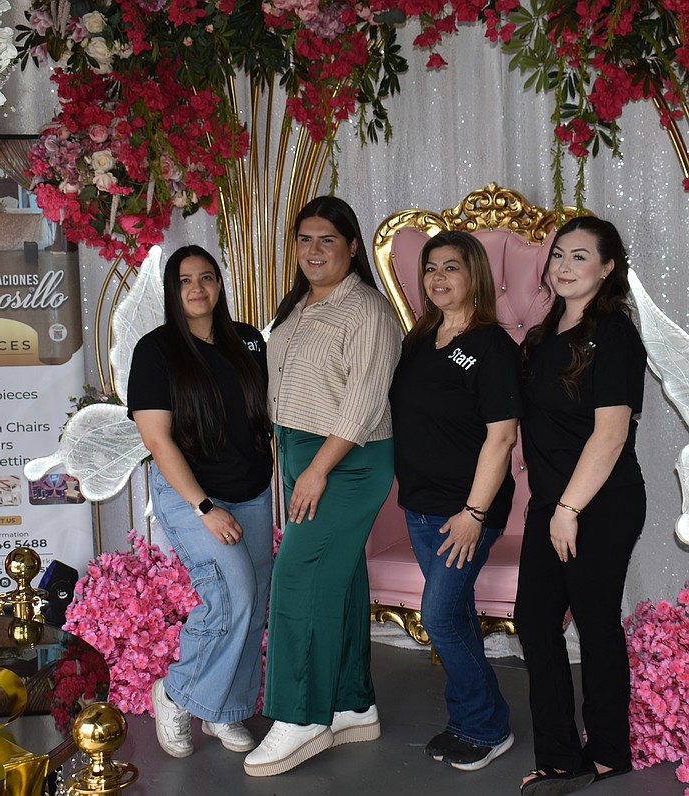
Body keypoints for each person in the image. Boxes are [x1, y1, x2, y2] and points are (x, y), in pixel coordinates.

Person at [243, 195, 402, 777]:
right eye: (304, 239)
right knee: (339, 579)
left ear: (352, 246)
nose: (313, 250)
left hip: (347, 461)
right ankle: (351, 704)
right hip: (305, 454)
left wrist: (315, 470)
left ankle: (301, 716)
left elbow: (362, 402)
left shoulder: (369, 312)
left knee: (298, 581)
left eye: (327, 240)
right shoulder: (300, 304)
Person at [126, 245, 274, 759]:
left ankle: (223, 712)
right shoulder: (157, 350)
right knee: (230, 593)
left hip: (252, 492)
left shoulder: (249, 342)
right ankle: (174, 693)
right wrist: (205, 509)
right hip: (193, 494)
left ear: (219, 284)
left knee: (252, 605)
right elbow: (157, 440)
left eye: (206, 277)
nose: (196, 288)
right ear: (173, 289)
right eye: (185, 280)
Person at [516, 216, 646, 795]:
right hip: (553, 503)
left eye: (580, 257)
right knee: (535, 622)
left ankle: (610, 752)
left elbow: (611, 434)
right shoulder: (542, 338)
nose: (564, 267)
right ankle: (561, 757)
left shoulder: (614, 332)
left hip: (600, 503)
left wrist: (568, 508)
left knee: (594, 626)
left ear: (608, 267)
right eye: (558, 256)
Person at [389, 230, 520, 771]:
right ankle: (468, 720)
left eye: (451, 268)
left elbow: (502, 436)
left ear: (474, 278)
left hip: (467, 511)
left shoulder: (493, 345)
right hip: (419, 506)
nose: (438, 279)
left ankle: (488, 727)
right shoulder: (418, 339)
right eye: (430, 270)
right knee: (457, 614)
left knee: (439, 617)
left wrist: (474, 514)